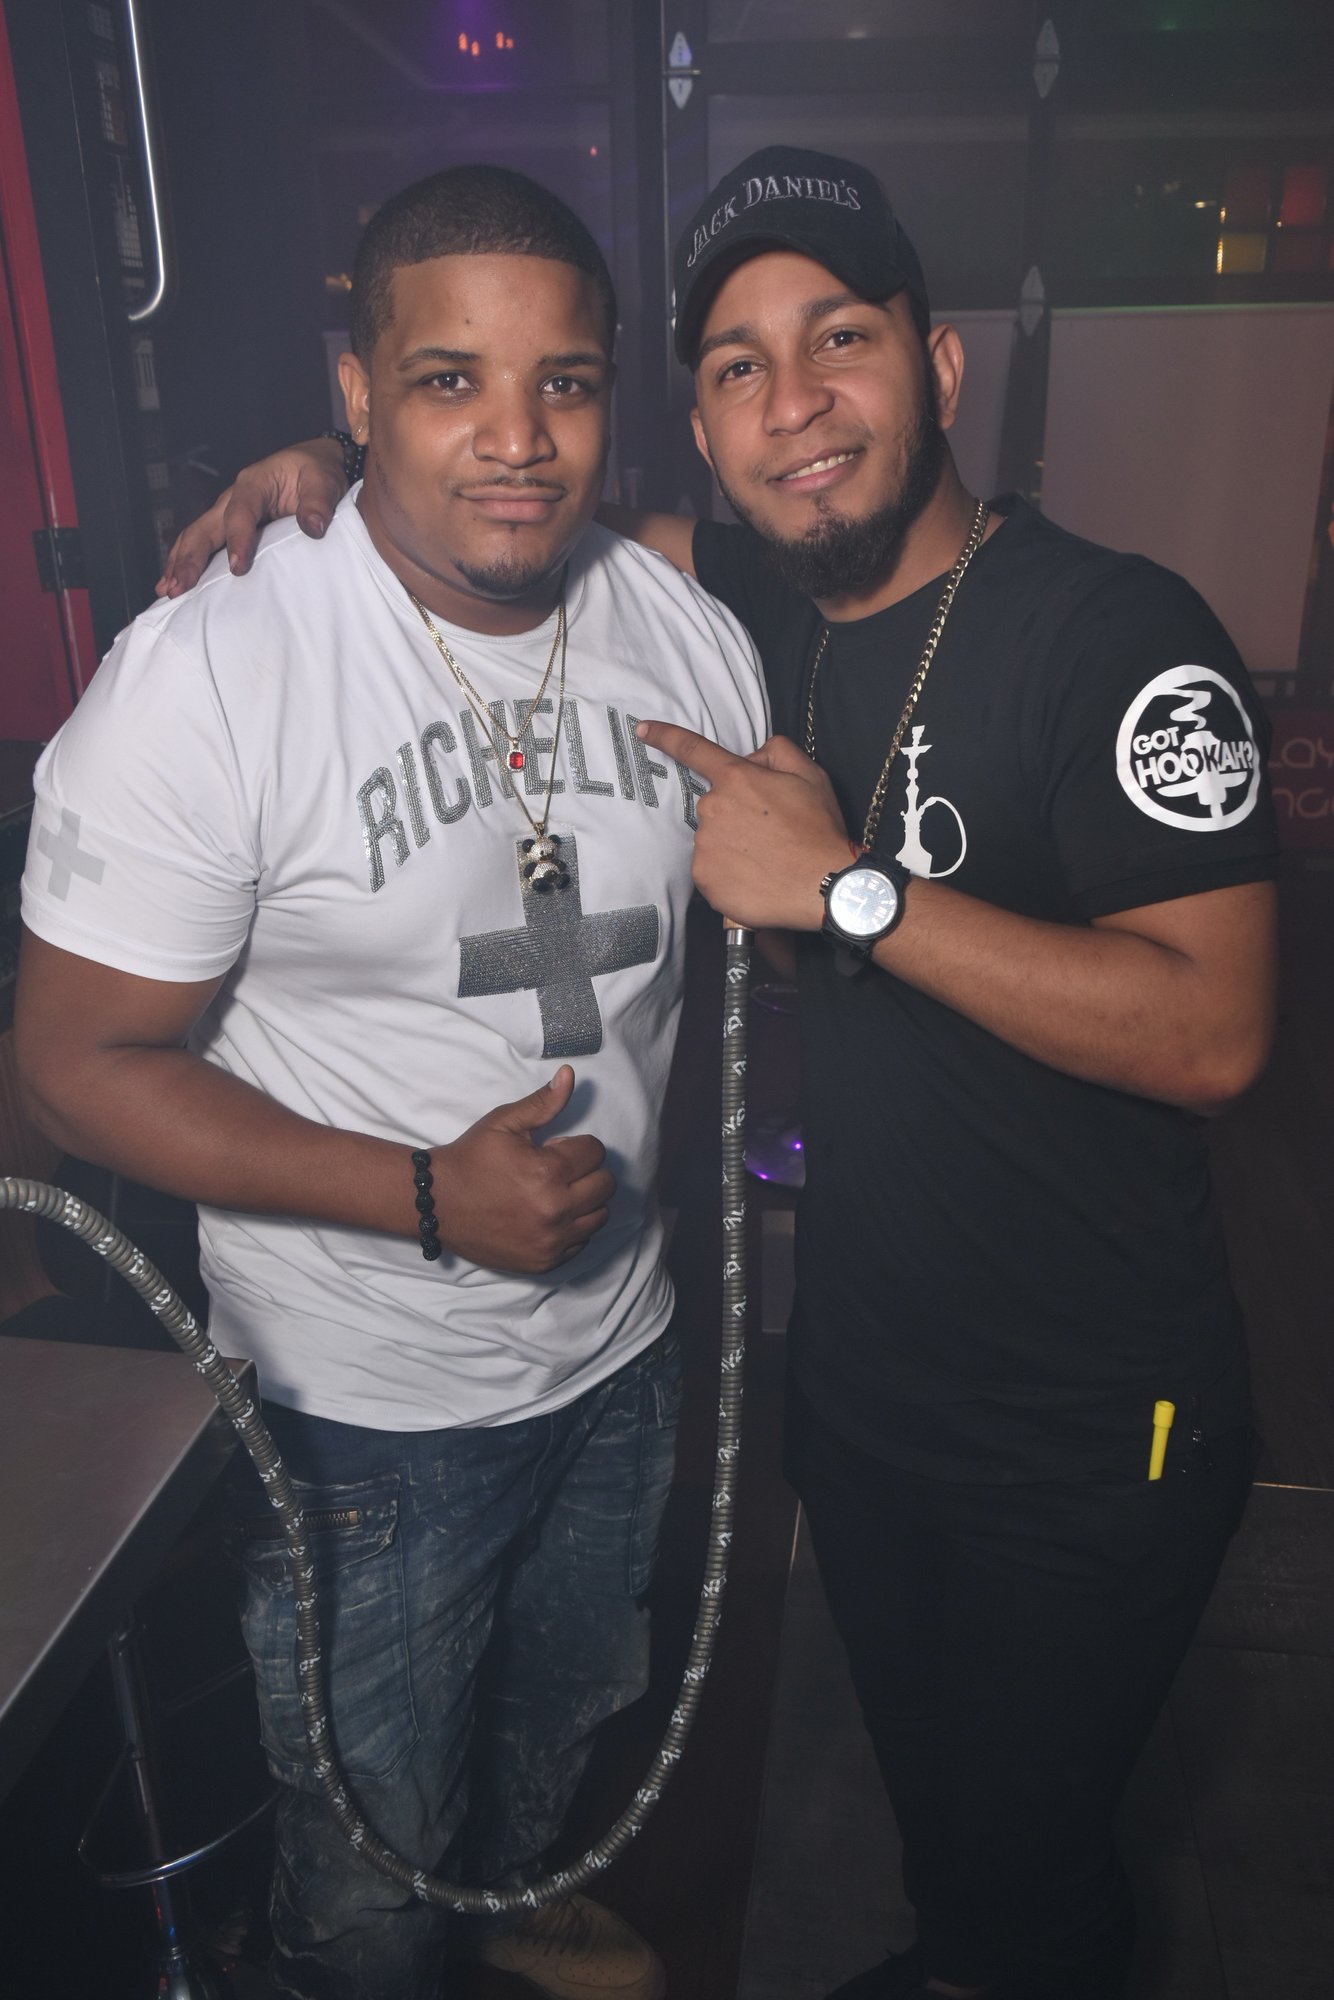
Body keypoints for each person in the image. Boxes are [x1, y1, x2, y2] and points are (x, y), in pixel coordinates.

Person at [155, 146, 1280, 2000]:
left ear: (937, 364)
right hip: (868, 1392)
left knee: (1033, 1852)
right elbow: (518, 515)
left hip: (1090, 1425)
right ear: (704, 430)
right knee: (941, 1816)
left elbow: (1214, 1035)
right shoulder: (753, 606)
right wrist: (335, 474)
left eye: (840, 339)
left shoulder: (1114, 635)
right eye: (739, 368)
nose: (795, 403)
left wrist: (847, 890)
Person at [17, 164, 768, 2000]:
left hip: (623, 1350)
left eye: (563, 382)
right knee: (367, 1846)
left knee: (567, 1707)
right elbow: (70, 1070)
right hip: (356, 1402)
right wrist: (422, 1193)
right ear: (354, 392)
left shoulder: (685, 625)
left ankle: (512, 1899)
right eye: (449, 381)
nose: (516, 440)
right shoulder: (215, 670)